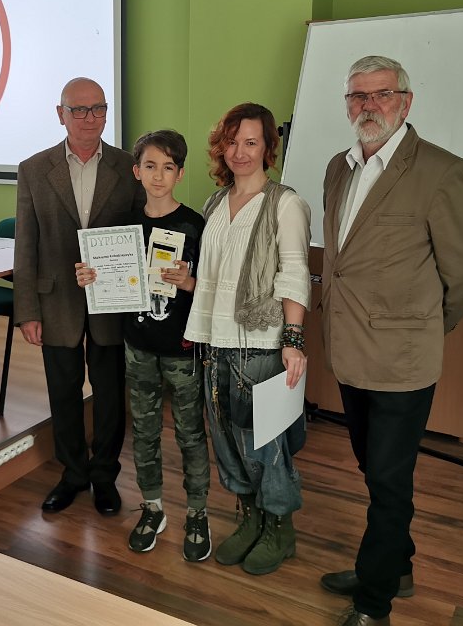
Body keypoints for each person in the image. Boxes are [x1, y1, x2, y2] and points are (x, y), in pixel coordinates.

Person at [318, 56, 463, 626]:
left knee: (389, 482)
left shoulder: (441, 171)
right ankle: (395, 568)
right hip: (349, 351)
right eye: (358, 96)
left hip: (404, 360)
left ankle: (374, 604)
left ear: (406, 102)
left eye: (382, 94)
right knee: (376, 470)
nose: (369, 106)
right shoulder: (338, 168)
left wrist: (425, 327)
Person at [183, 102, 311, 576]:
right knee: (225, 439)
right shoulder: (214, 204)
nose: (240, 152)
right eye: (232, 142)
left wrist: (293, 338)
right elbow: (212, 278)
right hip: (212, 340)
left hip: (260, 344)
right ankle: (250, 516)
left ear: (267, 148)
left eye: (251, 142)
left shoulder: (285, 204)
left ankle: (279, 527)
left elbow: (295, 273)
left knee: (263, 443)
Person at [75, 130, 211, 561]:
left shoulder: (195, 225)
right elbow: (109, 280)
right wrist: (91, 278)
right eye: (150, 166)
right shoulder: (123, 229)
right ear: (136, 171)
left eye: (168, 167)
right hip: (137, 347)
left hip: (183, 349)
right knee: (146, 433)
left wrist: (188, 282)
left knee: (190, 434)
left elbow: (211, 288)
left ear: (180, 174)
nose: (158, 176)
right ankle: (152, 507)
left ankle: (197, 512)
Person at [14, 77, 144, 516]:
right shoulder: (34, 169)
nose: (90, 118)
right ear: (61, 114)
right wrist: (27, 310)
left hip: (113, 300)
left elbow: (141, 233)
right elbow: (26, 244)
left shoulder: (129, 167)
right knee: (63, 393)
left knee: (109, 395)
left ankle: (104, 475)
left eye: (98, 108)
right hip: (57, 302)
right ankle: (72, 474)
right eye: (79, 110)